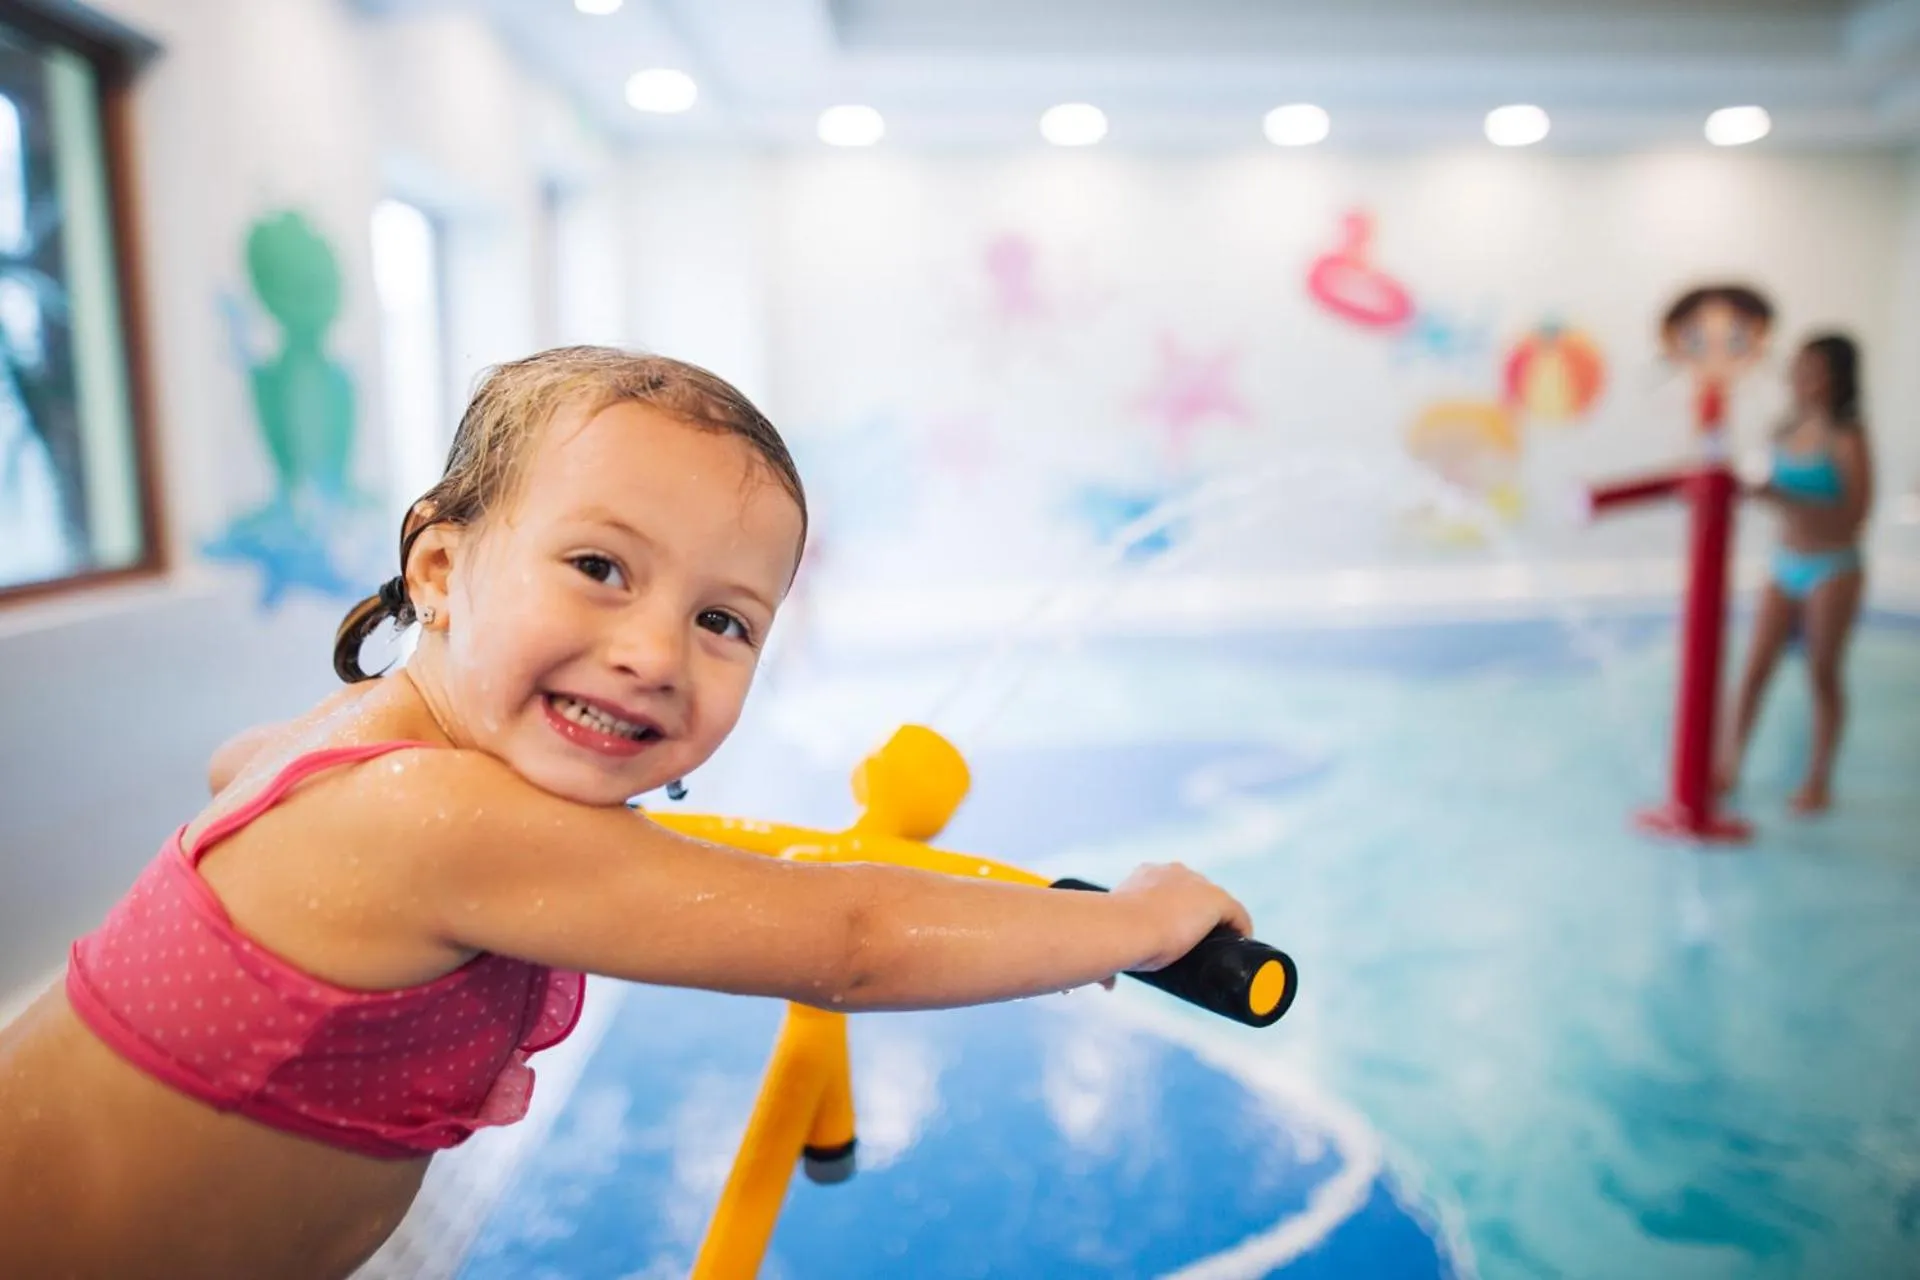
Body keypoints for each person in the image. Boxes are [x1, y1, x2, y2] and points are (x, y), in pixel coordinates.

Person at [0, 347, 1251, 1278]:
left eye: (724, 620)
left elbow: (238, 765)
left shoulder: (345, 755)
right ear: (440, 568)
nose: (655, 650)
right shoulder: (438, 821)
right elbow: (850, 938)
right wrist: (1134, 923)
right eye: (600, 568)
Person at [1719, 334, 1874, 813]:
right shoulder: (1784, 430)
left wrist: (1781, 499)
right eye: (1799, 367)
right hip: (1785, 562)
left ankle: (1818, 779)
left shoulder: (1848, 438)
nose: (1803, 378)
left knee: (1822, 674)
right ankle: (1729, 763)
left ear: (1838, 377)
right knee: (1754, 669)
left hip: (1833, 566)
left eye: (1815, 369)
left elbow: (1852, 517)